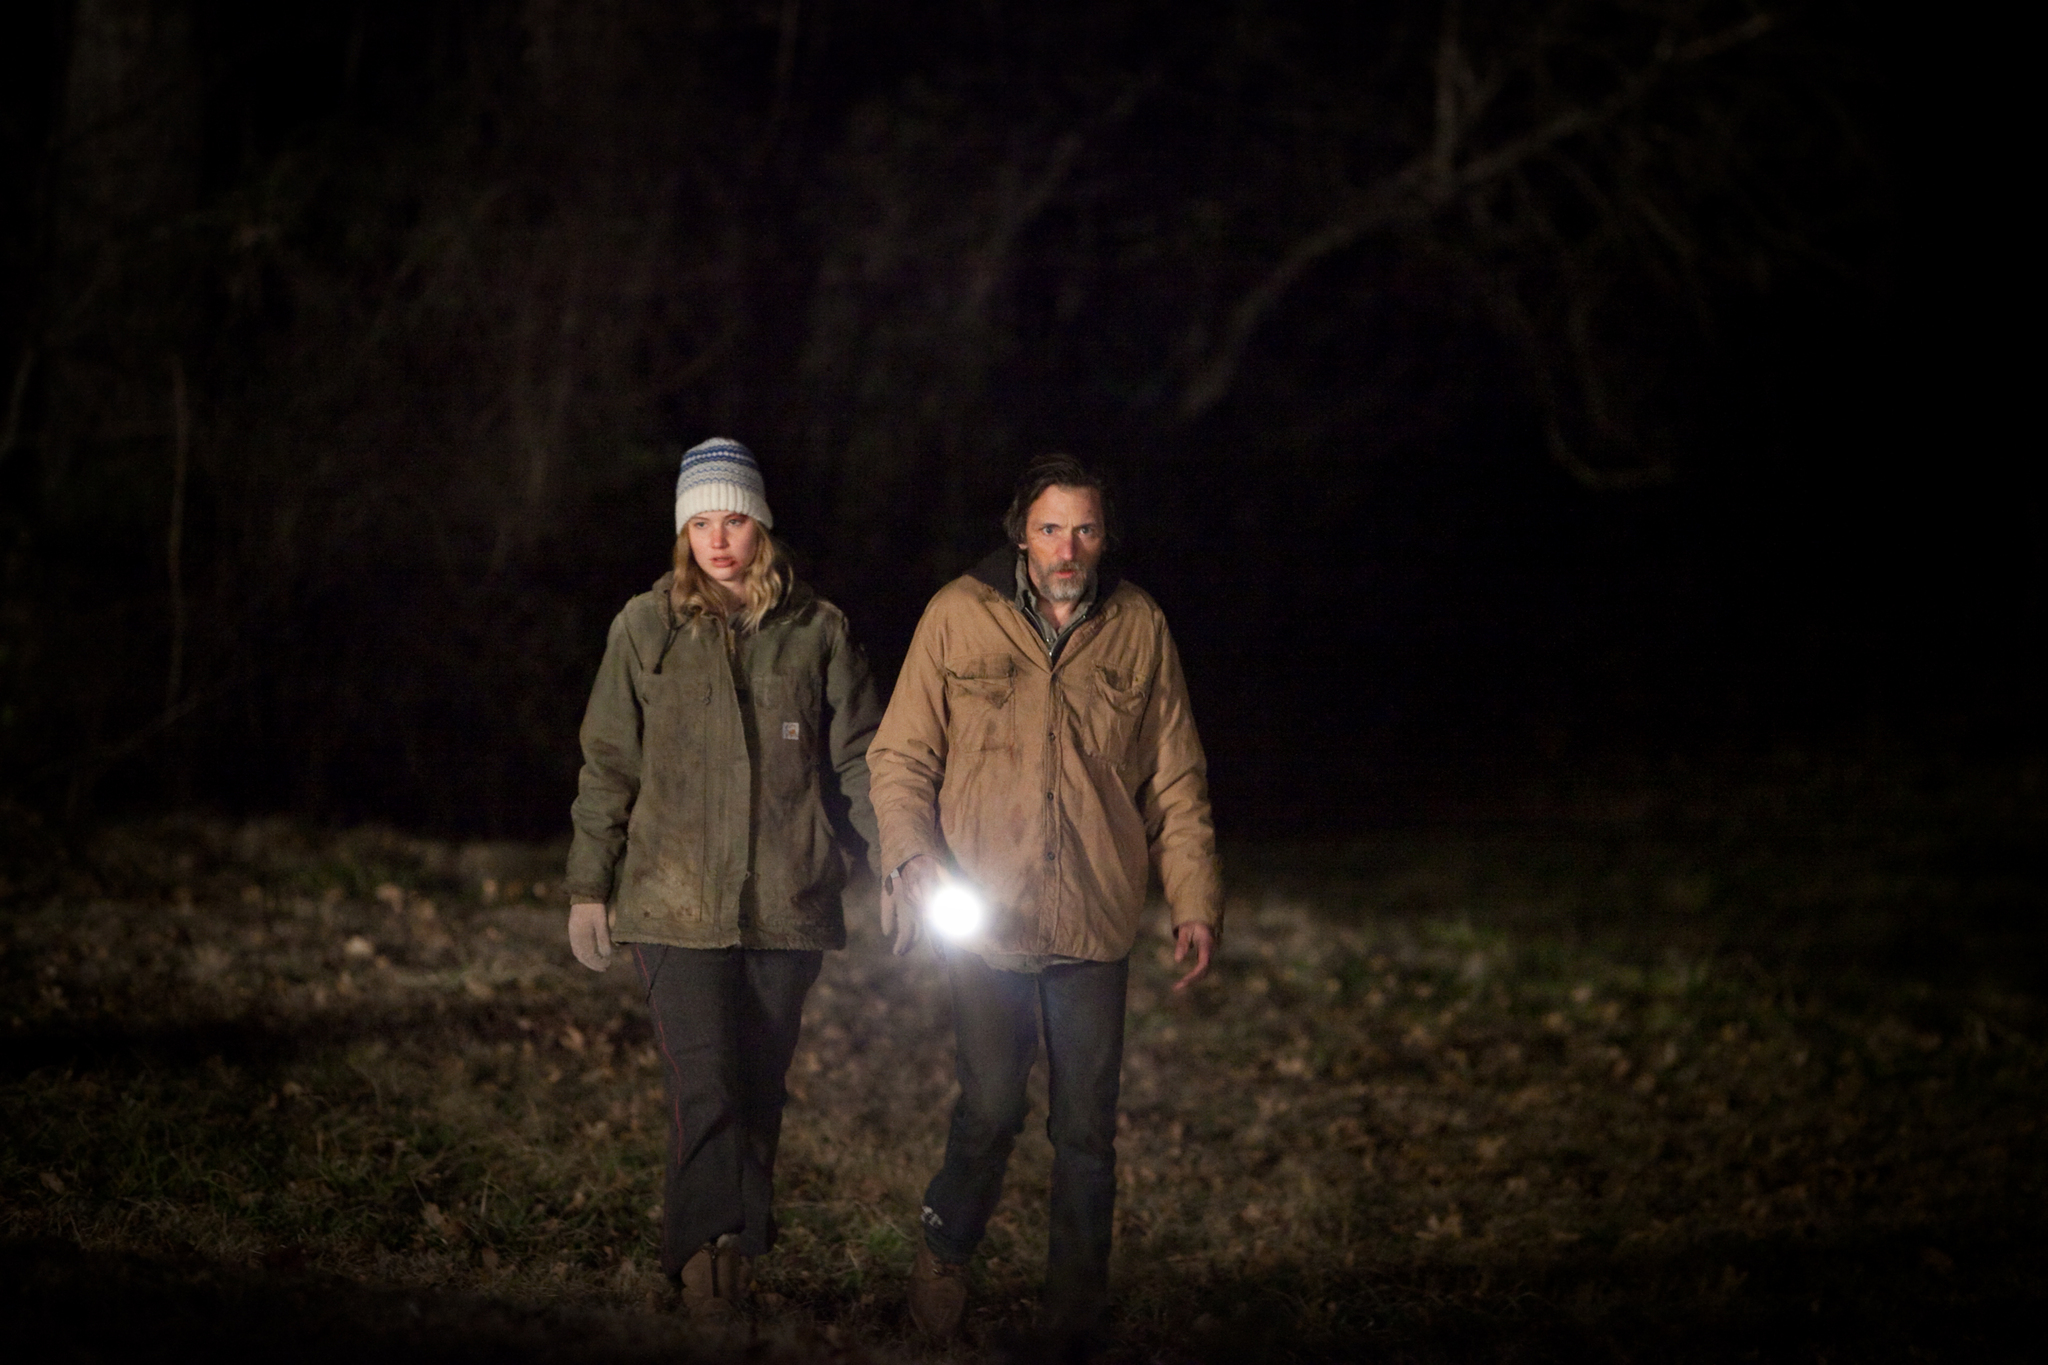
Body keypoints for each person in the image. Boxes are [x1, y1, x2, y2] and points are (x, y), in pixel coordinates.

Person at [867, 454, 1222, 1344]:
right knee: (990, 1107)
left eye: (1087, 528)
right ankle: (946, 1244)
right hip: (986, 921)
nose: (1070, 547)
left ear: (1106, 536)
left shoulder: (1138, 625)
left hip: (1095, 919)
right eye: (1053, 527)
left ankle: (1072, 1319)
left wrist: (1194, 898)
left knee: (1087, 1133)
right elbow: (901, 756)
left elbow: (1175, 778)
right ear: (1020, 531)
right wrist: (911, 859)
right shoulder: (958, 614)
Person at [562, 437, 882, 1324]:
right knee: (704, 1082)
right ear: (682, 532)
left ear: (762, 523)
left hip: (788, 900)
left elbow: (862, 760)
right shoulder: (645, 627)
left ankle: (732, 1240)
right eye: (700, 522)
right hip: (673, 902)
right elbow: (607, 762)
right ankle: (706, 1258)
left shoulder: (820, 630)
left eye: (733, 517)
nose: (718, 538)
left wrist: (901, 865)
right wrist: (591, 883)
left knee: (759, 1085)